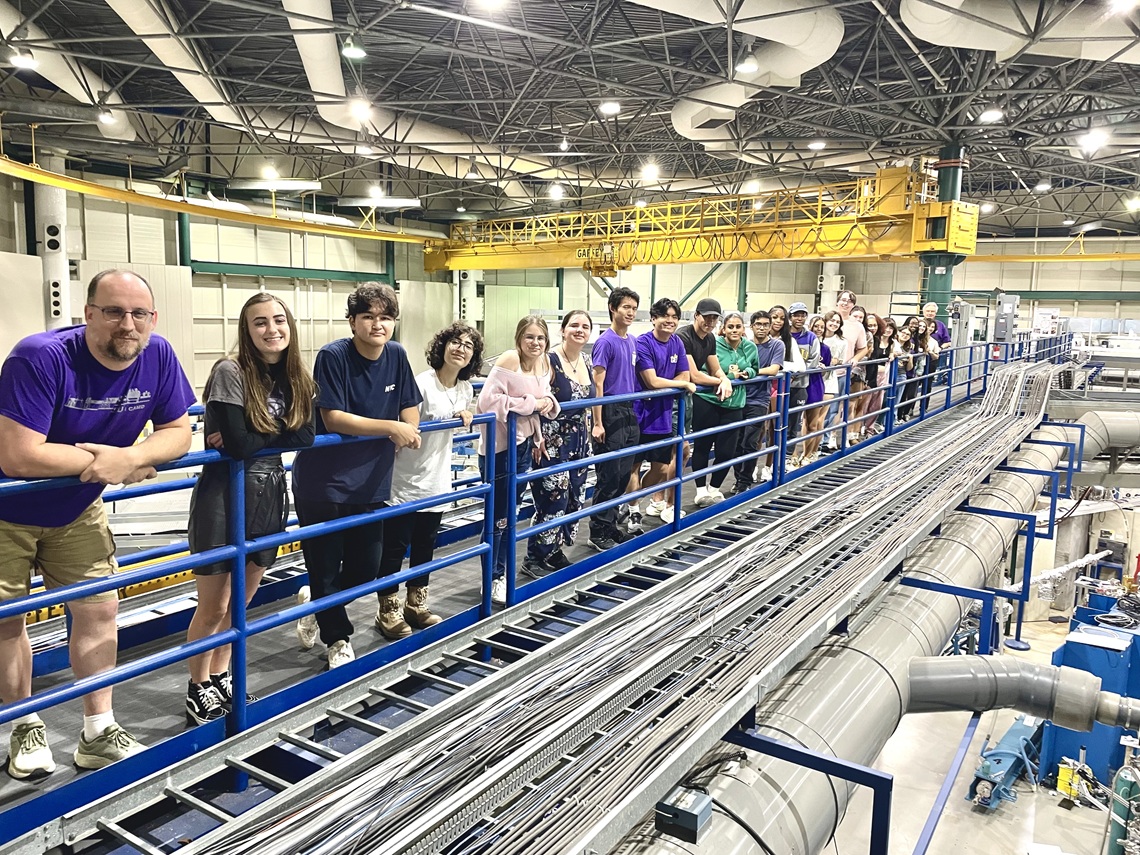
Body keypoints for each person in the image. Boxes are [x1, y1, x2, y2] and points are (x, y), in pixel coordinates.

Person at [0, 268, 195, 777]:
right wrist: (110, 462)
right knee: (7, 623)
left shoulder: (158, 355)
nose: (126, 324)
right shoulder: (39, 356)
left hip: (75, 508)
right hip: (6, 511)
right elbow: (20, 456)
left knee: (98, 610)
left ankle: (97, 731)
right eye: (112, 312)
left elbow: (178, 432)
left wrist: (129, 459)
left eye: (138, 314)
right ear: (88, 315)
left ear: (152, 318)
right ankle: (23, 728)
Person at [185, 293, 315, 725]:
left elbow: (307, 437)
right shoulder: (230, 370)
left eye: (278, 320)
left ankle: (222, 676)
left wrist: (259, 430)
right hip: (226, 493)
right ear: (247, 329)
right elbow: (238, 446)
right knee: (215, 604)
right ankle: (197, 685)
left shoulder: (297, 373)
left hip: (270, 488)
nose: (271, 329)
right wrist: (281, 428)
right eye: (260, 323)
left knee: (242, 602)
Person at [292, 283, 422, 669]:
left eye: (385, 317)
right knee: (326, 566)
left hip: (372, 480)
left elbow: (409, 405)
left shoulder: (397, 355)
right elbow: (334, 418)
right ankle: (337, 640)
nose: (377, 324)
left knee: (368, 567)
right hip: (324, 483)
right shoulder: (333, 356)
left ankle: (316, 603)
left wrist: (406, 429)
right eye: (368, 316)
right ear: (352, 321)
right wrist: (390, 428)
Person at [376, 322, 481, 638]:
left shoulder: (464, 389)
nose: (459, 348)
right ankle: (387, 611)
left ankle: (416, 605)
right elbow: (403, 425)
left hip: (436, 482)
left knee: (425, 546)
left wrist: (466, 413)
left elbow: (462, 411)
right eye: (454, 342)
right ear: (442, 346)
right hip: (405, 481)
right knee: (394, 549)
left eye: (467, 345)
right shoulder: (421, 384)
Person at [476, 315, 559, 604]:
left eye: (540, 338)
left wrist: (539, 427)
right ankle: (493, 576)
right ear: (519, 340)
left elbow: (544, 399)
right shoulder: (511, 360)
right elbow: (486, 403)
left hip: (523, 447)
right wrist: (532, 405)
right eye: (529, 337)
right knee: (497, 516)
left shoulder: (544, 363)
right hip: (500, 449)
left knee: (509, 514)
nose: (535, 343)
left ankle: (500, 572)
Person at [525, 311, 592, 575]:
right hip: (550, 439)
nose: (579, 330)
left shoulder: (586, 360)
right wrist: (536, 436)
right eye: (574, 325)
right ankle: (534, 557)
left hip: (579, 441)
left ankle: (554, 550)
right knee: (554, 499)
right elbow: (533, 397)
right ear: (563, 330)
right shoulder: (548, 361)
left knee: (575, 497)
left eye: (585, 326)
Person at [633, 298, 694, 524]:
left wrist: (679, 382)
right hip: (640, 414)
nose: (670, 321)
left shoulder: (676, 342)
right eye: (665, 316)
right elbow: (651, 382)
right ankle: (631, 509)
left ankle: (633, 501)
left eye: (674, 317)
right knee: (634, 467)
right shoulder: (643, 343)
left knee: (659, 469)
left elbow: (684, 375)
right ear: (653, 318)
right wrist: (681, 384)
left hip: (663, 414)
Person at [589, 288, 640, 551]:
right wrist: (598, 423)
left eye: (633, 308)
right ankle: (597, 531)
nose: (630, 312)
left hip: (630, 411)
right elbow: (598, 384)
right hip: (609, 411)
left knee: (623, 475)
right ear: (613, 308)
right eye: (625, 307)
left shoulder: (631, 341)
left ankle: (610, 526)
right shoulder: (605, 342)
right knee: (608, 476)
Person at [692, 311, 757, 501]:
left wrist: (748, 372)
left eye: (738, 327)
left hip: (735, 403)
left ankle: (714, 488)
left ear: (743, 329)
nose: (734, 330)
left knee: (726, 451)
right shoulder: (713, 344)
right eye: (730, 326)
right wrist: (729, 377)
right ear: (724, 329)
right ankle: (700, 490)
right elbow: (705, 371)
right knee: (702, 446)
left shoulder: (750, 347)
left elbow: (755, 367)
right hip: (708, 400)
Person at [676, 298, 734, 505]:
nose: (710, 321)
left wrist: (724, 378)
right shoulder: (683, 336)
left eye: (714, 318)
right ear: (696, 316)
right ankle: (651, 503)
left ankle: (668, 503)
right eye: (706, 316)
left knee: (682, 452)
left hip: (686, 399)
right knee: (669, 456)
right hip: (672, 400)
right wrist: (722, 380)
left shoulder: (709, 339)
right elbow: (694, 375)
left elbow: (714, 367)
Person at [732, 311, 782, 492]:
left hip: (759, 400)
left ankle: (744, 482)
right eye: (758, 324)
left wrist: (752, 372)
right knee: (736, 442)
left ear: (770, 327)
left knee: (750, 442)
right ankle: (739, 478)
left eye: (765, 324)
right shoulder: (743, 345)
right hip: (739, 398)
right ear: (751, 326)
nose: (762, 328)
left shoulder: (777, 345)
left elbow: (774, 369)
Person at [788, 302, 821, 466]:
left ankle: (791, 457)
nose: (799, 318)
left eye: (802, 315)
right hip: (779, 387)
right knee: (777, 424)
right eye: (796, 315)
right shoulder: (784, 336)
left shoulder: (811, 338)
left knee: (794, 424)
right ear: (790, 316)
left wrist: (797, 374)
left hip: (800, 386)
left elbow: (813, 361)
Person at [834, 291, 870, 437]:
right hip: (823, 373)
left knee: (840, 407)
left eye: (849, 301)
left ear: (853, 305)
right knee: (820, 408)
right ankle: (820, 441)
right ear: (837, 301)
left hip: (843, 372)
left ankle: (832, 437)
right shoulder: (828, 319)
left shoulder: (857, 326)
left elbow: (864, 348)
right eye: (843, 300)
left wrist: (855, 359)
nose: (845, 303)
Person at [859, 313, 892, 438]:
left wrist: (892, 355)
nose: (872, 328)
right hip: (862, 375)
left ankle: (869, 428)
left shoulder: (877, 340)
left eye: (875, 325)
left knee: (875, 405)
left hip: (874, 376)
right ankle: (857, 431)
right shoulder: (863, 338)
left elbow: (879, 356)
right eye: (869, 325)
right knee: (861, 405)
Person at [818, 311, 846, 451]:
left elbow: (842, 359)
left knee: (831, 411)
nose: (834, 324)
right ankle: (813, 442)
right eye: (832, 320)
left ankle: (825, 440)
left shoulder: (841, 341)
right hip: (815, 378)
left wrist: (835, 361)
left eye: (837, 322)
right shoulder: (816, 338)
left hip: (830, 378)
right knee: (814, 414)